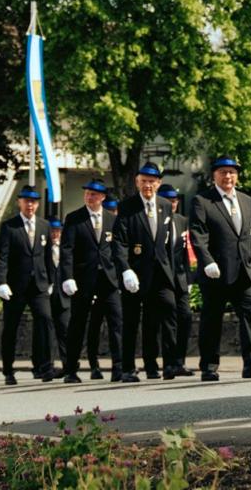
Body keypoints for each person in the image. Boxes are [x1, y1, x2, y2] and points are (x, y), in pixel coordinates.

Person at [189, 158, 251, 381]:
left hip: (244, 272)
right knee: (212, 320)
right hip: (216, 272)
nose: (227, 177)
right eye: (222, 172)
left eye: (231, 172)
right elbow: (198, 234)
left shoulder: (247, 200)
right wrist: (207, 261)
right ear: (214, 176)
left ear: (237, 175)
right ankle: (209, 366)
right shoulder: (203, 201)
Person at [114, 162, 177, 382]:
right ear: (137, 182)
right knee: (131, 321)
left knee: (165, 313)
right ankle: (128, 368)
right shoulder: (127, 207)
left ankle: (166, 364)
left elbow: (168, 243)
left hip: (161, 272)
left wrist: (173, 271)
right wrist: (125, 270)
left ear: (158, 183)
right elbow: (120, 243)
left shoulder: (165, 205)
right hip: (136, 273)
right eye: (144, 181)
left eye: (152, 181)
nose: (147, 185)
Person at [59, 179, 123, 384]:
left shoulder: (112, 220)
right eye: (87, 193)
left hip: (108, 278)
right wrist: (67, 276)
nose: (89, 197)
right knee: (77, 322)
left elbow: (119, 250)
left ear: (103, 197)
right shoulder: (74, 218)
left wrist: (124, 274)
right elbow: (67, 249)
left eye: (94, 194)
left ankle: (119, 368)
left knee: (116, 322)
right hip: (83, 278)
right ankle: (70, 369)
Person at [0, 186, 57, 385]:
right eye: (26, 201)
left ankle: (45, 366)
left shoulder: (44, 225)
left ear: (37, 204)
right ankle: (8, 370)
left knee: (45, 320)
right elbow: (2, 257)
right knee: (11, 327)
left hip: (38, 284)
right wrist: (1, 282)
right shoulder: (9, 226)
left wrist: (51, 281)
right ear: (19, 202)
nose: (30, 205)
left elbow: (47, 257)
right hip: (16, 285)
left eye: (33, 201)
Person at [158, 185, 194, 378]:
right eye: (167, 200)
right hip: (163, 278)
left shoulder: (182, 221)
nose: (171, 204)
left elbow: (185, 253)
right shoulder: (156, 222)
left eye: (174, 201)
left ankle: (179, 361)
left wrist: (188, 277)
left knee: (185, 316)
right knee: (168, 318)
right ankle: (169, 363)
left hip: (180, 277)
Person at [85, 196, 123, 380]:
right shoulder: (94, 223)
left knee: (116, 324)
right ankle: (94, 364)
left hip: (111, 282)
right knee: (94, 326)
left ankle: (118, 365)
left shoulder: (118, 225)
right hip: (93, 281)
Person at [47, 219, 70, 375]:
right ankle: (47, 366)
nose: (55, 234)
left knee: (65, 331)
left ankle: (67, 365)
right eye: (53, 232)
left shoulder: (67, 248)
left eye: (58, 231)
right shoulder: (43, 249)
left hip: (63, 295)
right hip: (46, 294)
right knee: (47, 332)